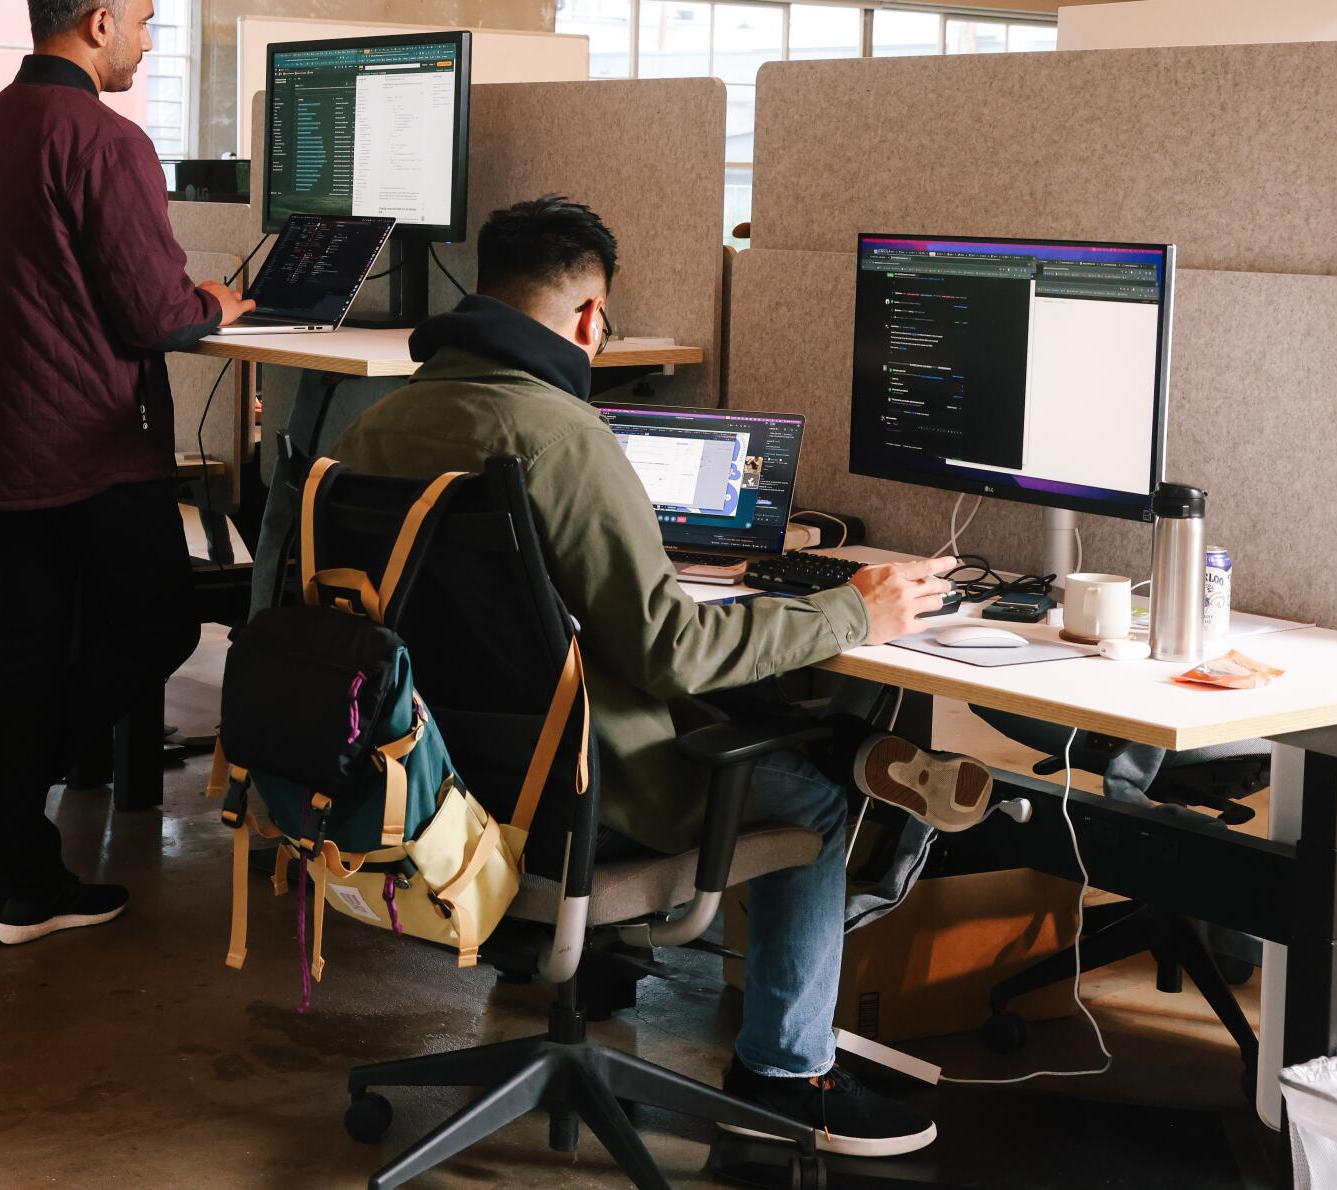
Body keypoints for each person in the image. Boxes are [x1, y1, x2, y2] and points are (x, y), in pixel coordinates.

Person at [331, 195, 993, 1158]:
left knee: (772, 725)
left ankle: (846, 759)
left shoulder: (375, 429)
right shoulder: (563, 437)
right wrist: (857, 608)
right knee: (810, 806)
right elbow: (671, 650)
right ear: (590, 317)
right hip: (587, 787)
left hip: (435, 779)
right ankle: (786, 1076)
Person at [0, 0, 254, 946]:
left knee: (34, 641)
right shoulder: (106, 141)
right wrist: (218, 300)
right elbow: (154, 313)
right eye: (147, 20)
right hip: (86, 440)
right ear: (97, 22)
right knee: (159, 626)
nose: (150, 42)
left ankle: (21, 874)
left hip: (3, 438)